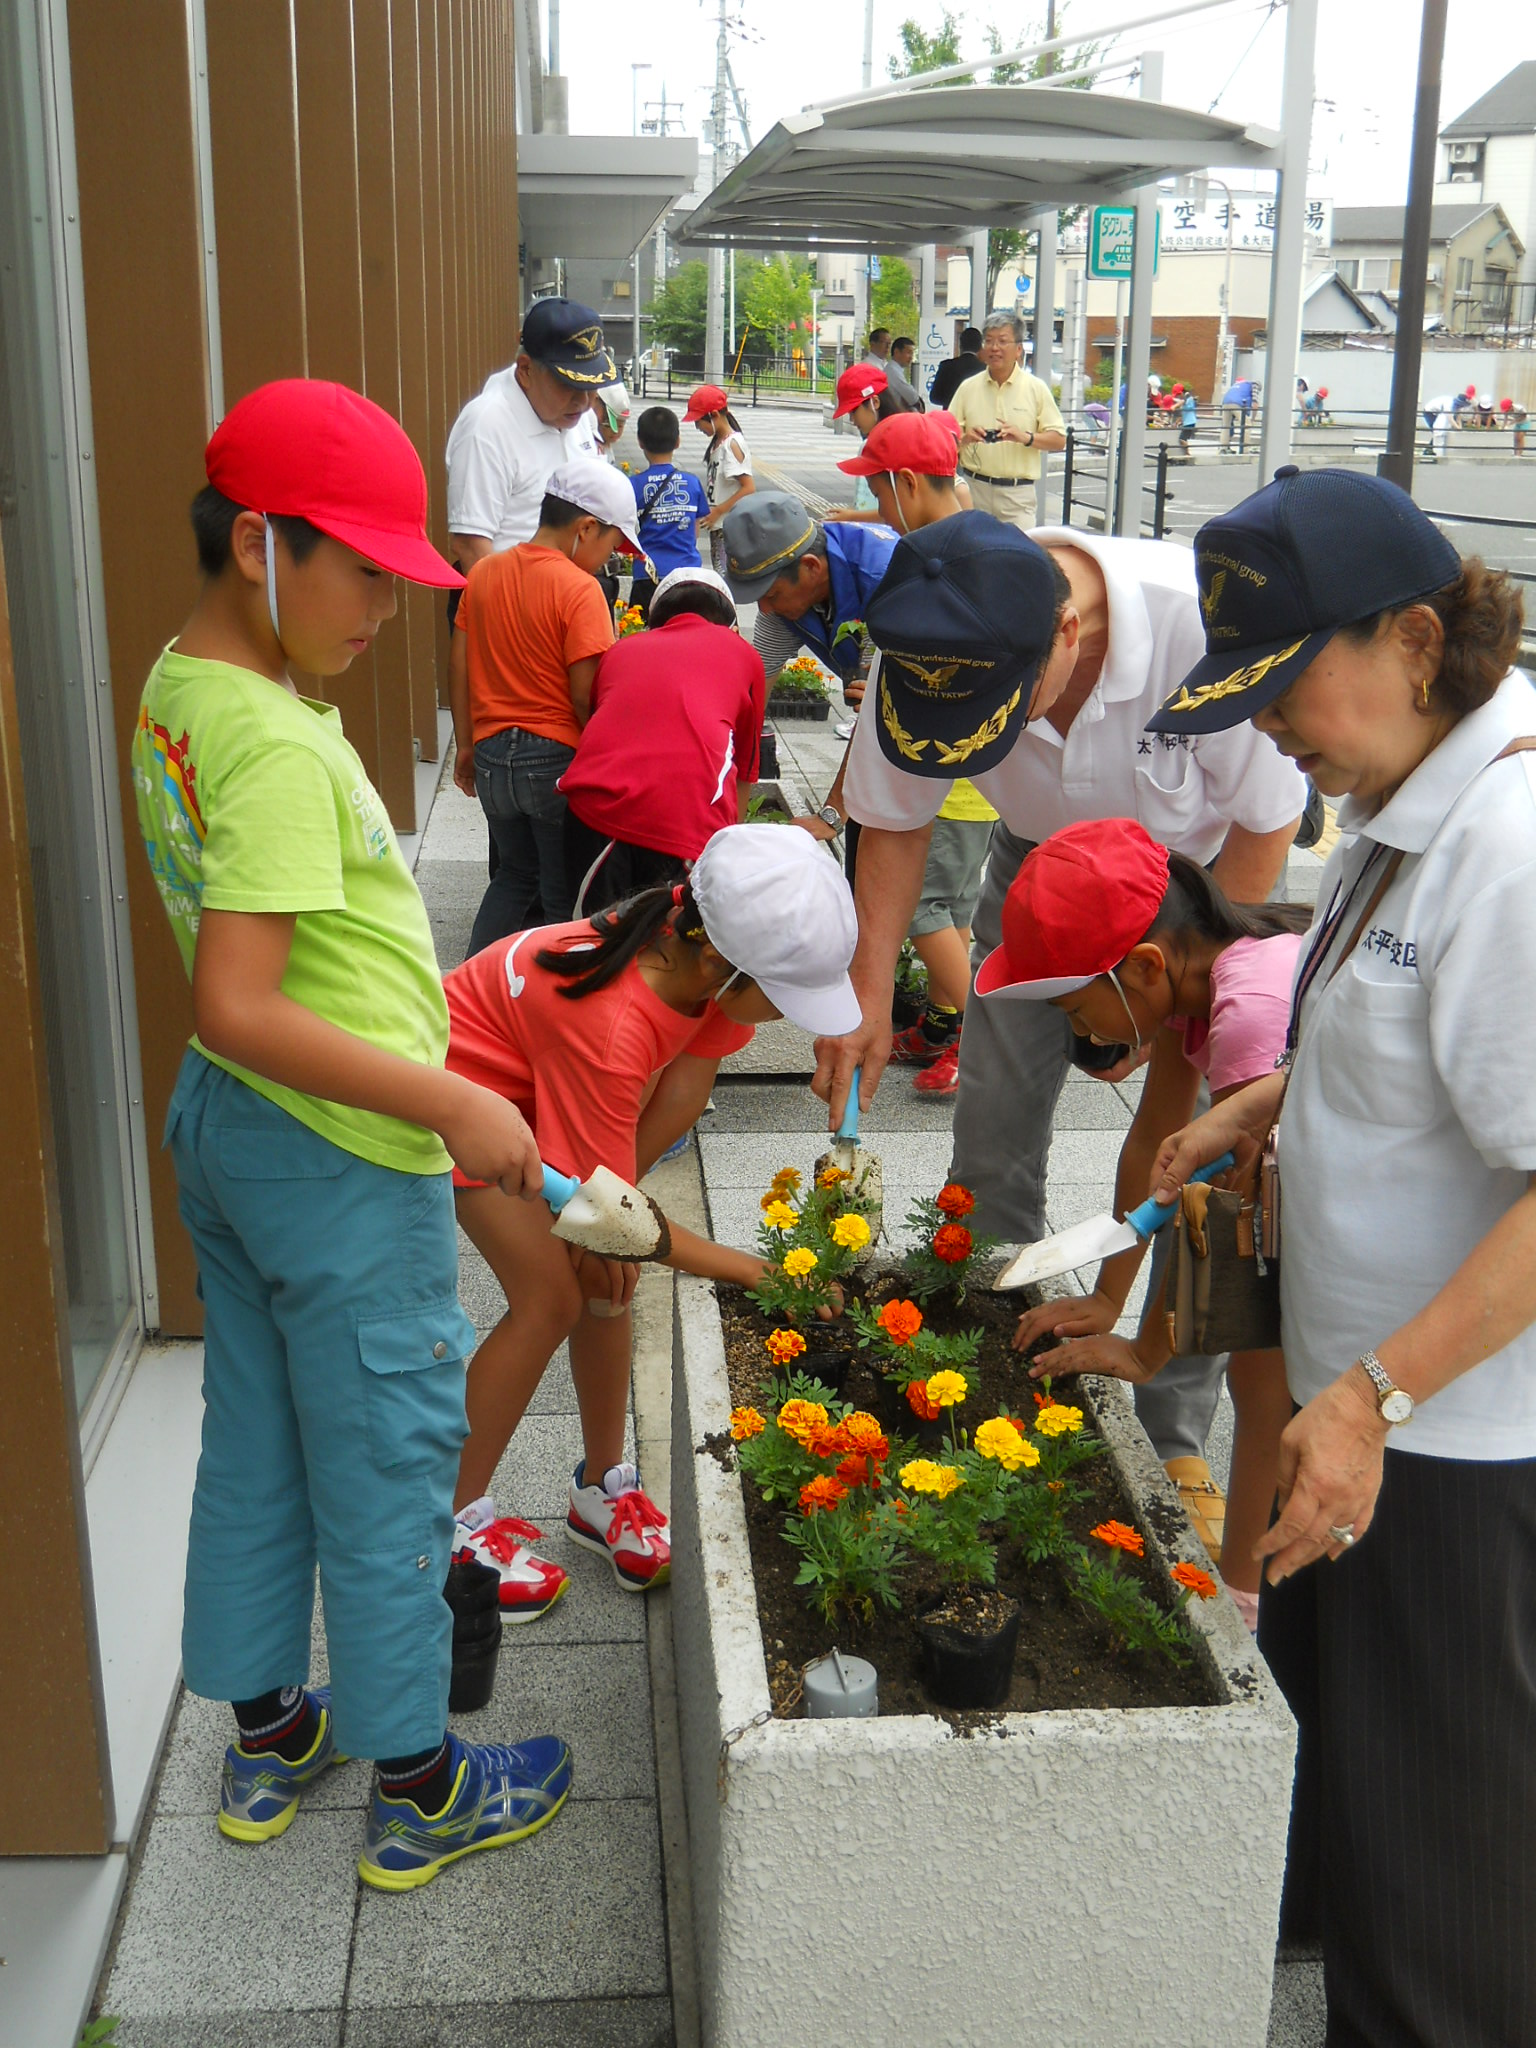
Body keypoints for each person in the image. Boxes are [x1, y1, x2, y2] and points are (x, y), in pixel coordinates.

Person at [132, 377, 570, 1892]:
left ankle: (269, 1732)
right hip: (339, 1152)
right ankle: (423, 1777)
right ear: (262, 544)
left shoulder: (182, 683)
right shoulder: (272, 742)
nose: (390, 604)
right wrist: (455, 1096)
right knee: (389, 1464)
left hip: (238, 1140)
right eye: (364, 569)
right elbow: (241, 996)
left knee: (254, 1440)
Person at [1142, 464, 1536, 2047]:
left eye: (1287, 683)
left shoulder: (1509, 851)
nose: (1271, 735)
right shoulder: (1399, 804)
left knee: (1445, 1863)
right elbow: (1412, 1045)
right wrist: (1266, 1094)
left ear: (1418, 637)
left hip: (1446, 1445)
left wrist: (1375, 1395)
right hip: (1358, 1417)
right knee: (1357, 1789)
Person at [818, 510, 1305, 1494]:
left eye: (998, 714)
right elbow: (897, 816)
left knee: (1210, 1143)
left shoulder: (1198, 629)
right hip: (1039, 870)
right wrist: (867, 991)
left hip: (1195, 890)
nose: (980, 740)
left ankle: (1172, 1423)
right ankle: (998, 1341)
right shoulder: (931, 644)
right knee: (996, 1111)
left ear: (1068, 636)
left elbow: (1267, 818)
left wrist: (1181, 1030)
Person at [443, 825, 863, 1606]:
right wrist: (751, 1271)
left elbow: (682, 1095)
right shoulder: (611, 1023)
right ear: (722, 964)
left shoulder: (695, 954)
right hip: (463, 1105)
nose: (793, 1016)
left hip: (534, 1106)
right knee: (551, 1299)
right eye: (786, 996)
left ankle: (602, 1489)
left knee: (609, 1281)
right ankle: (447, 1530)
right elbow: (611, 1214)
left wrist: (612, 1222)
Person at [996, 820, 1304, 1629]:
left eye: (1076, 1006)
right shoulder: (1191, 993)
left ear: (1142, 966)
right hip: (1319, 1195)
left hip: (1380, 1215)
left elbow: (1235, 1236)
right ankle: (1251, 1579)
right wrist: (1107, 1299)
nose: (1084, 1032)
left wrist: (1146, 1349)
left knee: (1262, 1375)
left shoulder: (1248, 1019)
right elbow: (1153, 1145)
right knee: (1263, 1373)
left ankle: (1244, 1594)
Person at [834, 409, 991, 1095]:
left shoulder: (943, 560)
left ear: (906, 480)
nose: (877, 507)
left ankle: (983, 1042)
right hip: (975, 779)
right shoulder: (980, 544)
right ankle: (946, 1020)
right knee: (952, 910)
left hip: (951, 779)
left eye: (878, 490)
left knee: (927, 909)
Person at [449, 459, 640, 953]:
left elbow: (460, 666)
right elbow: (585, 694)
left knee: (513, 876)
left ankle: (470, 989)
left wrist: (466, 747)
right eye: (612, 545)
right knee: (562, 897)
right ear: (585, 528)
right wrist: (604, 765)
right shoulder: (580, 590)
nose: (608, 559)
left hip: (492, 758)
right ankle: (554, 1010)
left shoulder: (485, 573)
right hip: (555, 762)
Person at [560, 566, 767, 913]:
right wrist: (728, 853)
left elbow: (602, 723)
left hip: (595, 811)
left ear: (655, 621)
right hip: (686, 821)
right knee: (671, 950)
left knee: (590, 944)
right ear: (732, 626)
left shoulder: (621, 650)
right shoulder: (745, 655)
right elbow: (744, 769)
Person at [446, 297, 615, 568]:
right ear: (525, 370)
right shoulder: (486, 426)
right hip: (513, 600)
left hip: (570, 593)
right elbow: (471, 546)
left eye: (591, 387)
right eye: (568, 385)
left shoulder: (576, 415)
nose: (583, 403)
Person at [949, 311, 1067, 528]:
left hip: (1018, 496)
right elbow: (944, 440)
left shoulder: (1036, 388)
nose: (995, 348)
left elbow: (1059, 440)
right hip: (974, 490)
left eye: (1003, 341)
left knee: (1017, 559)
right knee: (974, 557)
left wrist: (1024, 437)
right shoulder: (968, 388)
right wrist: (966, 439)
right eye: (990, 341)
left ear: (1019, 349)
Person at [627, 406, 710, 619]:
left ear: (640, 442)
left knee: (645, 635)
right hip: (687, 575)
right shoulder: (692, 483)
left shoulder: (632, 485)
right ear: (678, 441)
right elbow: (695, 531)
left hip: (647, 576)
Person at [824, 361, 925, 523]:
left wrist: (853, 516)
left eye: (853, 411)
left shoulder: (898, 443)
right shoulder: (881, 440)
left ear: (875, 402)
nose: (852, 419)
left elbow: (897, 510)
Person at [928, 326, 986, 412]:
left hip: (950, 418)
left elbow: (934, 397)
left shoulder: (946, 365)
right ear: (980, 346)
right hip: (974, 418)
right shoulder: (984, 369)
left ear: (960, 345)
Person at [1218, 376, 1256, 452]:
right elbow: (1255, 404)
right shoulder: (1254, 385)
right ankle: (1244, 449)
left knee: (1226, 427)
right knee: (1247, 425)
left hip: (1225, 402)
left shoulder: (1237, 385)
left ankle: (1223, 448)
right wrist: (1252, 419)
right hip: (1237, 403)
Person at [887, 336, 924, 407]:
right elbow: (912, 397)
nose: (911, 357)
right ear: (897, 352)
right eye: (908, 353)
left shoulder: (895, 369)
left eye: (912, 354)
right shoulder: (893, 371)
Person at [1177, 382, 1199, 454]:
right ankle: (1187, 453)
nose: (1178, 396)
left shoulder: (1187, 399)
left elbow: (1187, 408)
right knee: (1184, 438)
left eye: (1178, 394)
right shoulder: (1188, 399)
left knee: (1182, 439)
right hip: (1189, 422)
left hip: (1189, 422)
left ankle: (1188, 453)